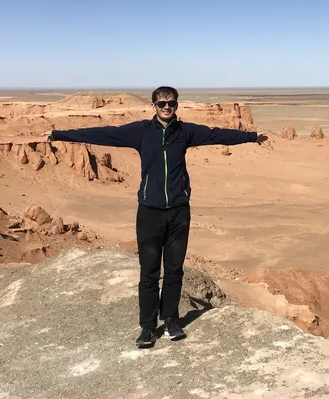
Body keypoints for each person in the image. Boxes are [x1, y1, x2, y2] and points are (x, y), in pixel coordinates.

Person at [47, 86, 269, 349]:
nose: (167, 107)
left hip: (178, 212)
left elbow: (217, 135)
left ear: (176, 105)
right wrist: (58, 134)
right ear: (153, 106)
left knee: (174, 270)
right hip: (150, 213)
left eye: (171, 103)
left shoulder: (185, 132)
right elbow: (102, 134)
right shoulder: (140, 131)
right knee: (149, 273)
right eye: (162, 103)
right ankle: (148, 327)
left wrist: (252, 136)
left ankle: (171, 320)